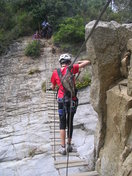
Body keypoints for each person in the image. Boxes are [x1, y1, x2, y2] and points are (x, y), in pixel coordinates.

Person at [51, 53, 90, 155]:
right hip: (72, 100)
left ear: (61, 63)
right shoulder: (72, 68)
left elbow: (53, 87)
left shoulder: (55, 72)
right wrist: (79, 62)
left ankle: (63, 148)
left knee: (62, 124)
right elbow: (88, 62)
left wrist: (56, 86)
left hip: (61, 101)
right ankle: (69, 145)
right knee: (70, 122)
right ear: (68, 62)